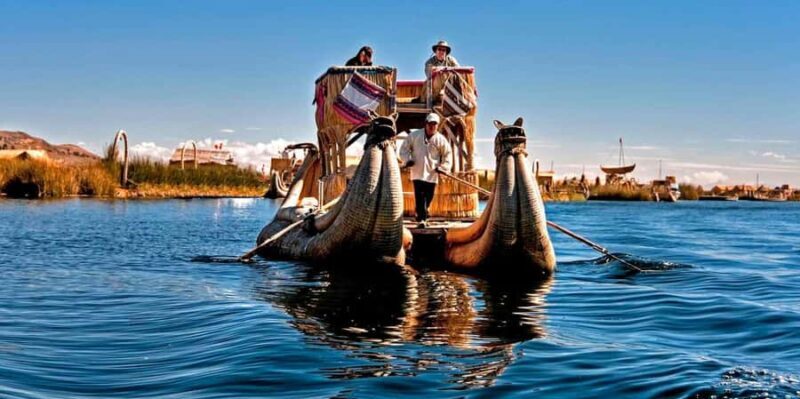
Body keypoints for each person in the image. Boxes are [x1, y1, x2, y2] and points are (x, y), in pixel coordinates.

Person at [399, 113, 453, 227]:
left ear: (437, 125)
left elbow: (447, 154)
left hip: (432, 173)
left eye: (434, 124)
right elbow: (404, 148)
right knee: (419, 195)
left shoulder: (441, 140)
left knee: (429, 196)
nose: (432, 126)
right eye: (430, 124)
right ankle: (422, 219)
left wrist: (443, 167)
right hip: (417, 171)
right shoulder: (414, 135)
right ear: (426, 124)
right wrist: (407, 160)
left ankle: (422, 212)